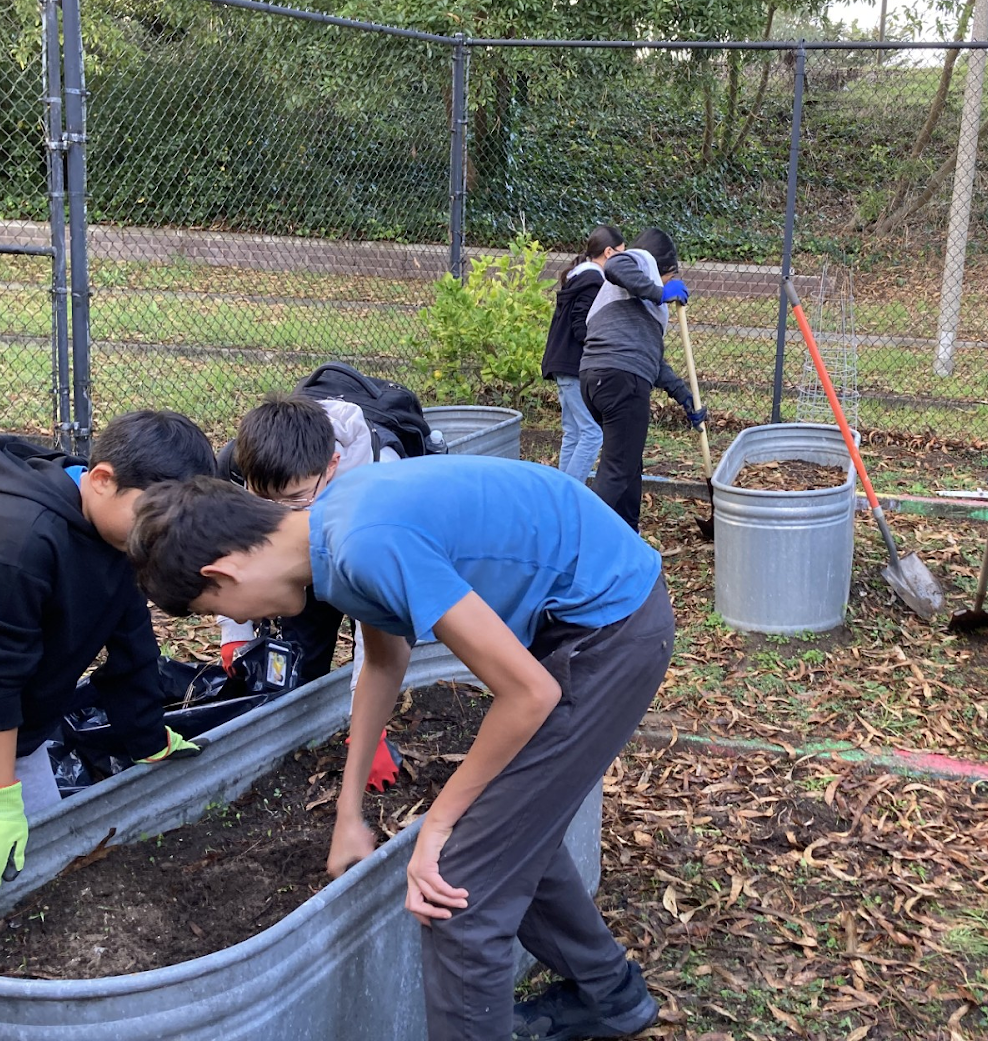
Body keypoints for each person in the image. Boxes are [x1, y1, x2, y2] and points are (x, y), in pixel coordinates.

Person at [127, 456, 674, 1041]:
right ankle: (613, 999)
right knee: (511, 837)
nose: (236, 622)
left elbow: (530, 694)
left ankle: (605, 997)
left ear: (225, 571)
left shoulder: (363, 545)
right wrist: (348, 812)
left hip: (609, 628)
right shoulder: (331, 535)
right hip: (582, 619)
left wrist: (437, 827)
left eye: (215, 610)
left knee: (456, 891)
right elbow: (385, 664)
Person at [0, 411, 215, 881]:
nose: (159, 536)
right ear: (101, 480)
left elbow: (132, 639)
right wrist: (2, 797)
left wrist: (148, 738)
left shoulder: (121, 537)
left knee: (40, 867)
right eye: (153, 518)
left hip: (21, 731)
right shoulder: (23, 542)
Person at [217, 392, 404, 792]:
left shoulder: (377, 482)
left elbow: (377, 633)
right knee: (304, 648)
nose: (282, 512)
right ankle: (303, 726)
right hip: (309, 560)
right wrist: (235, 634)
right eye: (266, 500)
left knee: (376, 643)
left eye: (295, 499)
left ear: (331, 466)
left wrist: (369, 731)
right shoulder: (237, 466)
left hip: (360, 554)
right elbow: (231, 546)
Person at [578, 226, 707, 531]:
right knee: (617, 470)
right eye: (670, 277)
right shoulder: (638, 261)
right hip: (622, 380)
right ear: (661, 268)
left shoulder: (634, 306)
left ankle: (626, 534)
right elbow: (614, 264)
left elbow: (651, 360)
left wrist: (684, 396)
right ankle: (577, 539)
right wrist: (660, 291)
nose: (669, 287)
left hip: (596, 379)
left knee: (628, 464)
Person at [541, 225, 626, 482]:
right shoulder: (593, 282)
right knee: (592, 434)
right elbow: (582, 325)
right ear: (609, 252)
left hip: (562, 365)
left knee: (574, 432)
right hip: (574, 366)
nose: (624, 259)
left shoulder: (579, 277)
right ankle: (570, 495)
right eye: (622, 253)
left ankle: (559, 493)